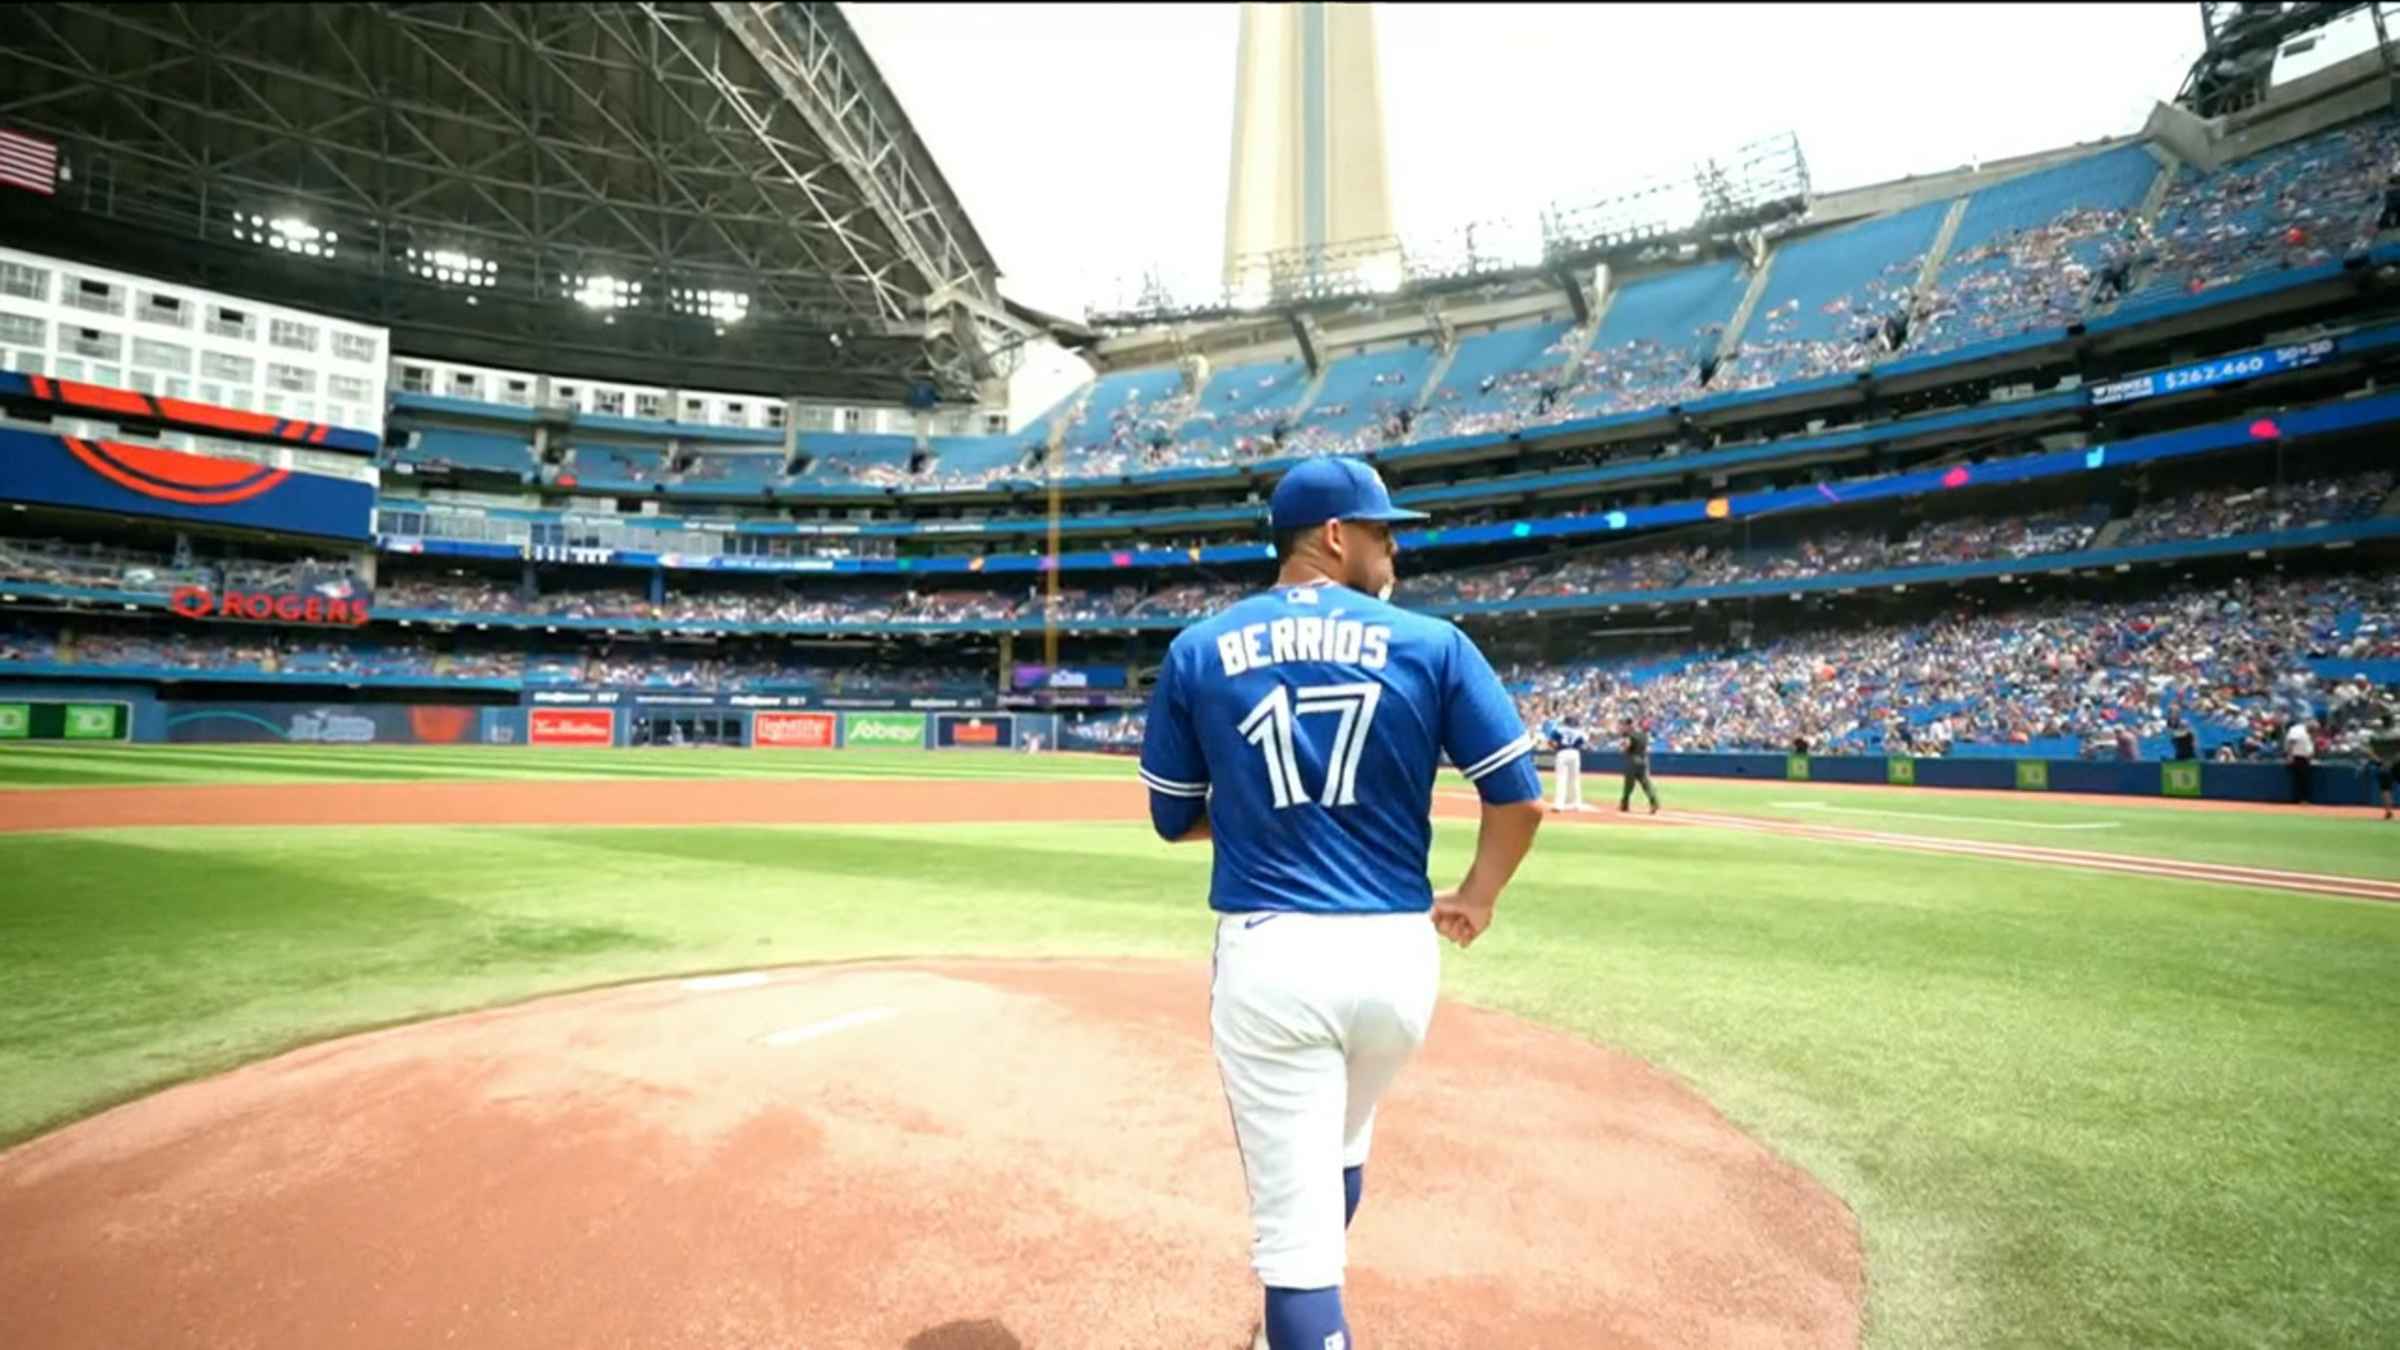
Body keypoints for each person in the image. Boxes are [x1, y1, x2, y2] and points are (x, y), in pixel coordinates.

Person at [1138, 455, 1546, 1350]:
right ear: (1333, 536)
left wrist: (1259, 817)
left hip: (1276, 956)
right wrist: (1477, 897)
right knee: (1344, 1143)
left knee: (1297, 1260)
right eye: (1381, 529)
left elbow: (1172, 816)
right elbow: (1518, 797)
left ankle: (1302, 1316)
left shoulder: (1199, 648)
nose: (1393, 546)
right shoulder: (1432, 642)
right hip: (1397, 960)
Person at [1548, 713, 1590, 812]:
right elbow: (1585, 742)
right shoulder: (1578, 731)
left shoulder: (1559, 729)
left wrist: (1556, 748)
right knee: (1575, 779)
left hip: (1562, 752)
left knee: (1561, 779)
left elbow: (1550, 741)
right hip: (1575, 753)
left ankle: (1559, 805)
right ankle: (1577, 804)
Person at [1621, 716, 1660, 814]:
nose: (1624, 726)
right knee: (1646, 784)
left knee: (1628, 785)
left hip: (1633, 761)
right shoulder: (1644, 734)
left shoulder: (1629, 734)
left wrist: (1623, 747)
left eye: (1625, 724)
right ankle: (1654, 802)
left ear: (1629, 725)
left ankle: (1624, 804)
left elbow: (1626, 745)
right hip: (1643, 761)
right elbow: (1647, 748)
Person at [2370, 714, 2400, 821]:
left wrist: (2381, 761)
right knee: (2386, 789)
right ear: (2391, 722)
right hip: (2397, 762)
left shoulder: (2375, 736)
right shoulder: (2397, 733)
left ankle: (2388, 812)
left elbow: (2371, 752)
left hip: (2383, 764)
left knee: (2385, 789)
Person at [2286, 717, 2316, 805]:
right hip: (2297, 757)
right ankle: (2299, 800)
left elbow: (2309, 747)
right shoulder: (2298, 730)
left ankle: (2302, 799)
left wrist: (2310, 758)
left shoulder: (2308, 733)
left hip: (2305, 758)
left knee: (2304, 779)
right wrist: (2290, 756)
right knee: (2300, 780)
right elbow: (2291, 742)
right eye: (2312, 728)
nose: (2313, 730)